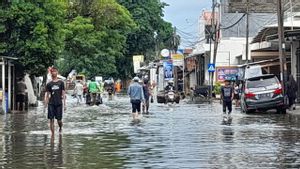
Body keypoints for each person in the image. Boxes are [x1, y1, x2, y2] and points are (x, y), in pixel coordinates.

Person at [44, 67, 66, 135]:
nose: (54, 73)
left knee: (59, 120)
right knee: (51, 119)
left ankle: (60, 128)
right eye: (53, 71)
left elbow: (63, 94)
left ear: (57, 72)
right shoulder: (49, 84)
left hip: (59, 103)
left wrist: (65, 104)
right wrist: (45, 105)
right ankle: (52, 134)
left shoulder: (61, 82)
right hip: (51, 103)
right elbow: (47, 95)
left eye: (55, 71)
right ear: (51, 73)